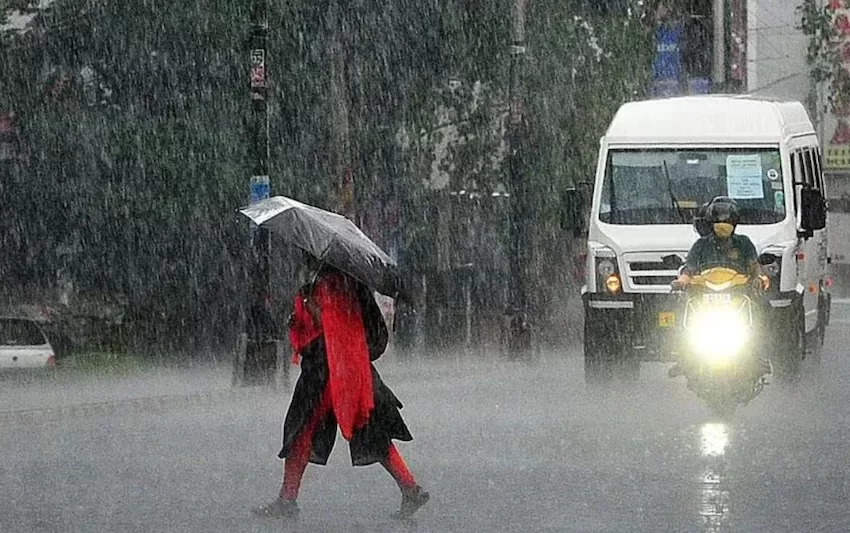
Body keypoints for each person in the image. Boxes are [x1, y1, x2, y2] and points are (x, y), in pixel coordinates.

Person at [252, 258, 429, 521]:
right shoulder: (350, 283)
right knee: (371, 432)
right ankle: (409, 487)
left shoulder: (329, 284)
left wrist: (308, 307)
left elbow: (327, 327)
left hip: (327, 372)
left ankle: (288, 499)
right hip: (354, 370)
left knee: (301, 430)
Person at [672, 196, 764, 290]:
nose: (723, 225)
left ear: (735, 222)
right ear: (711, 221)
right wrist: (682, 281)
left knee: (762, 303)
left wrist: (758, 278)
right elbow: (689, 268)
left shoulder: (744, 242)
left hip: (738, 292)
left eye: (728, 221)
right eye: (718, 221)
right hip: (703, 293)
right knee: (683, 303)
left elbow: (754, 265)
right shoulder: (701, 244)